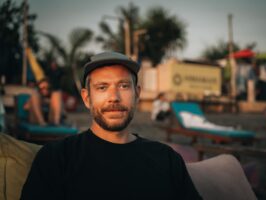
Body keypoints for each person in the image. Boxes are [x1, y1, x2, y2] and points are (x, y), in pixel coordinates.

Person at [20, 52, 202, 200]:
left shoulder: (167, 159)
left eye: (123, 86)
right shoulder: (56, 158)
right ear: (86, 98)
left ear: (137, 94)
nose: (114, 97)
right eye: (102, 87)